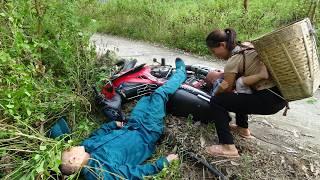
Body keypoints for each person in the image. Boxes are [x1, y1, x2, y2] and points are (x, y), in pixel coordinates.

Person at [60, 58, 187, 179]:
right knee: (160, 94)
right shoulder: (102, 172)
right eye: (70, 149)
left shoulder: (87, 146)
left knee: (147, 97)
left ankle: (166, 94)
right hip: (148, 131)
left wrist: (114, 124)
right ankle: (182, 72)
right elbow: (135, 174)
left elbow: (99, 132)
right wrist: (164, 162)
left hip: (132, 124)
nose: (73, 145)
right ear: (74, 159)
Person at [204, 28, 287, 158]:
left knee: (217, 101)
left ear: (222, 45)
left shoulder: (233, 60)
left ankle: (228, 147)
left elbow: (227, 88)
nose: (215, 55)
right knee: (240, 91)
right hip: (280, 96)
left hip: (268, 100)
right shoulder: (247, 46)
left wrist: (216, 92)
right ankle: (242, 129)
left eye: (214, 51)